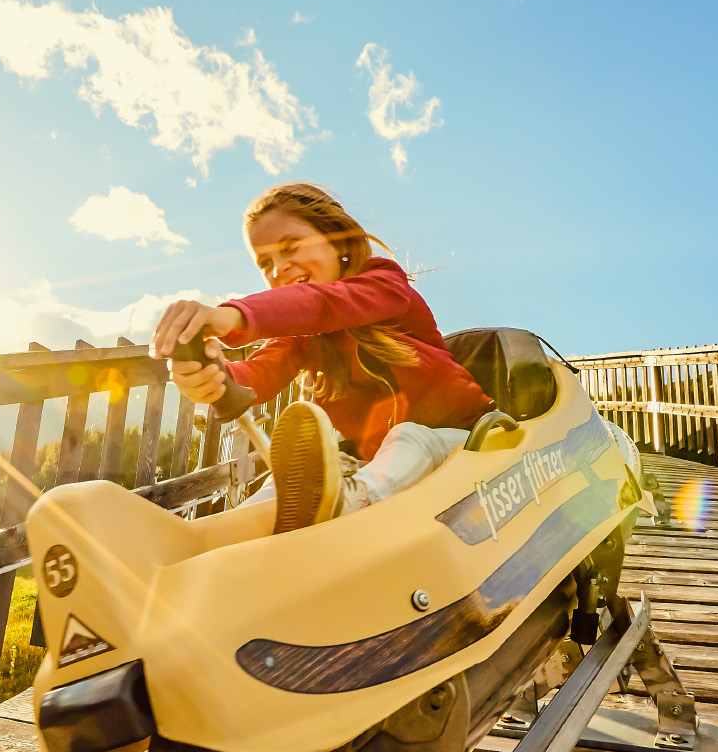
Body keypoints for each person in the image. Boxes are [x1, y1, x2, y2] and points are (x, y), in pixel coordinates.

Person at [151, 182, 494, 534]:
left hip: (470, 443)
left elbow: (323, 304)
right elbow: (260, 370)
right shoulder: (304, 340)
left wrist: (234, 316)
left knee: (409, 439)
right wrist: (210, 377)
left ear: (338, 240)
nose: (278, 269)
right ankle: (209, 536)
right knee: (285, 481)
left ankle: (337, 511)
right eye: (265, 262)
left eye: (291, 247)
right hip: (376, 463)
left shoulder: (384, 285)